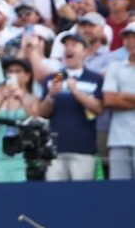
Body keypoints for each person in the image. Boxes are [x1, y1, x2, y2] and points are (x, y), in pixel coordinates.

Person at [39, 33, 104, 181]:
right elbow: (42, 113)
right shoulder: (51, 79)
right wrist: (50, 96)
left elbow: (99, 109)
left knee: (82, 194)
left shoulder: (95, 78)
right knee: (55, 193)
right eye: (66, 45)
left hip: (83, 149)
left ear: (85, 52)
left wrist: (76, 92)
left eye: (74, 45)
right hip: (54, 150)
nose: (68, 48)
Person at [0, 58, 39, 183]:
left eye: (18, 71)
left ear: (27, 76)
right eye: (10, 71)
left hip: (22, 158)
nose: (13, 74)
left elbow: (35, 120)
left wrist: (21, 97)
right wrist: (2, 97)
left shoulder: (32, 98)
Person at [103, 22, 135, 180]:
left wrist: (122, 95)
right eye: (127, 37)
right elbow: (109, 99)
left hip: (119, 138)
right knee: (119, 190)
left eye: (134, 37)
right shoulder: (114, 67)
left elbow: (114, 97)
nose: (130, 42)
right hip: (118, 139)